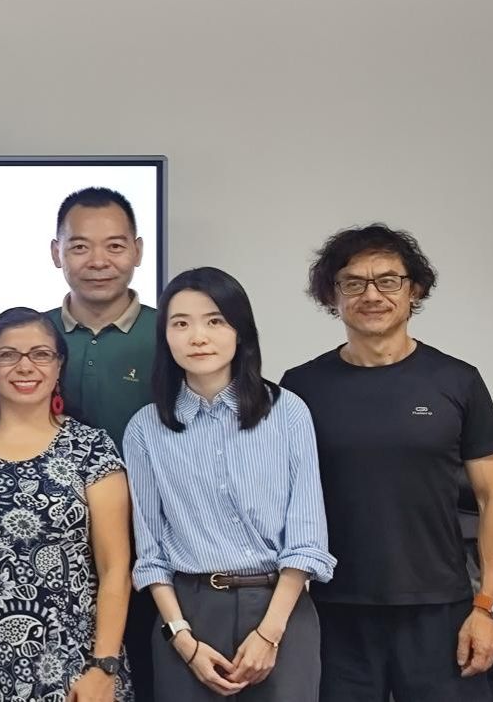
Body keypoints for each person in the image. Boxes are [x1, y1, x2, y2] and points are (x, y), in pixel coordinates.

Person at [282, 224, 493, 702]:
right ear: (332, 295)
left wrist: (488, 607)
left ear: (415, 291)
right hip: (334, 610)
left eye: (388, 280)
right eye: (353, 283)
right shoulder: (301, 388)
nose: (372, 295)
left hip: (442, 610)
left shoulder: (458, 381)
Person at [124, 267, 335, 701]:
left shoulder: (288, 412)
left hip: (280, 609)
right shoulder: (146, 428)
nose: (198, 337)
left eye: (215, 320)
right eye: (181, 323)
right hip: (189, 612)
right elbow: (151, 552)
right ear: (165, 337)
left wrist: (269, 634)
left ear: (241, 331)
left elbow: (307, 538)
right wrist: (182, 639)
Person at [0, 307, 134, 702]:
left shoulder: (91, 448)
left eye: (41, 354)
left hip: (73, 660)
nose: (25, 366)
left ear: (59, 366)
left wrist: (104, 666)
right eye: (7, 355)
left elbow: (115, 569)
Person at [48, 185, 157, 699]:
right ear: (57, 253)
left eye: (114, 246)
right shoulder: (33, 337)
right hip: (53, 551)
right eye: (79, 246)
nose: (98, 261)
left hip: (151, 550)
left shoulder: (171, 333)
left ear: (137, 250)